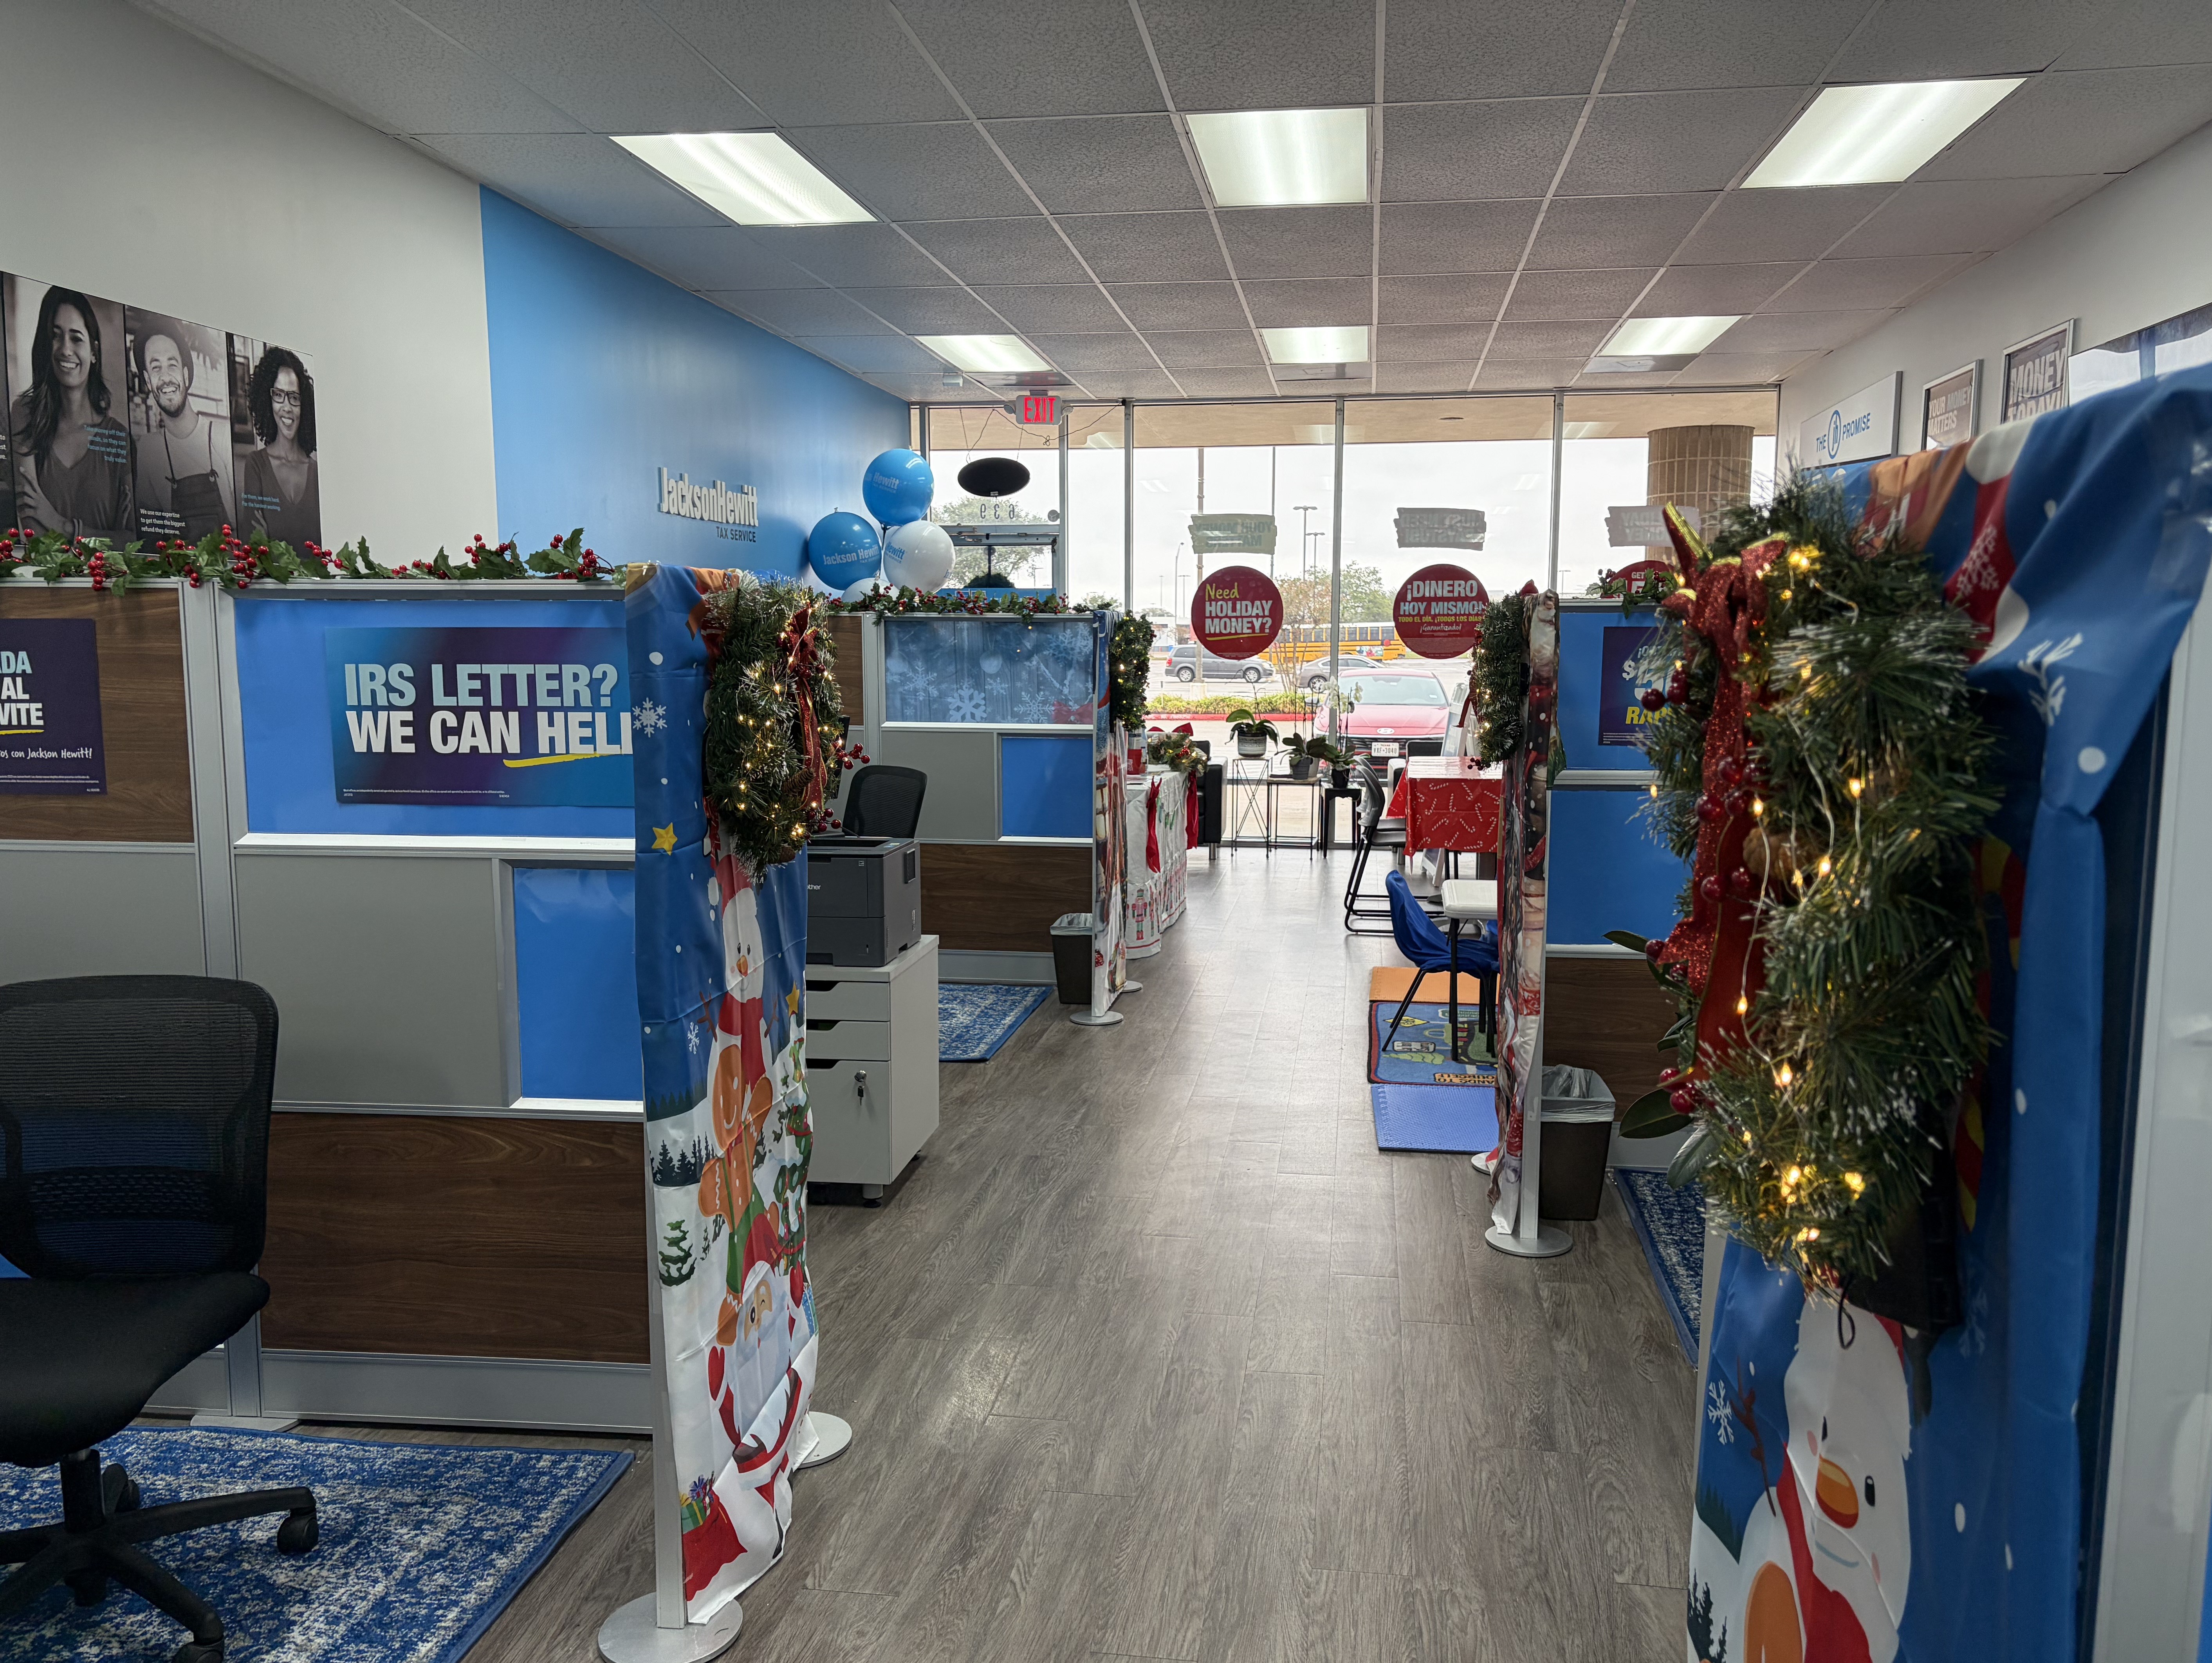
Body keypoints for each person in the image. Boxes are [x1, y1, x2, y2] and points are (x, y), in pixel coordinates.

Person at [8, 286, 134, 540]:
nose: (65, 349)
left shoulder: (120, 438)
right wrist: (103, 537)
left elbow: (133, 542)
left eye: (76, 339)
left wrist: (61, 524)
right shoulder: (26, 415)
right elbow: (35, 533)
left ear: (94, 352)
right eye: (56, 336)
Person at [132, 325, 234, 542]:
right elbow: (152, 538)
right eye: (156, 368)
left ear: (186, 376)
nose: (166, 377)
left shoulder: (222, 436)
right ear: (148, 381)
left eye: (172, 365)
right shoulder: (148, 450)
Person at [236, 344, 319, 547]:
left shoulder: (317, 472)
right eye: (279, 395)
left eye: (294, 397)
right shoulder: (256, 464)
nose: (287, 407)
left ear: (304, 405)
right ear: (268, 401)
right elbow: (254, 545)